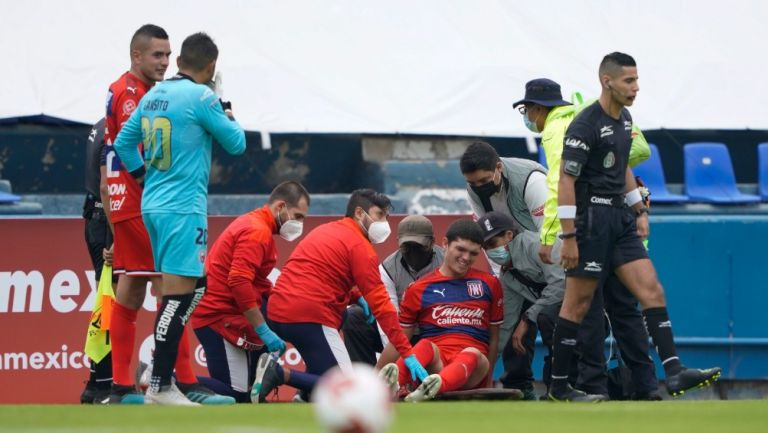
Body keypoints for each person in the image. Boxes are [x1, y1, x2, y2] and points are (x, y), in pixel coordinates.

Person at [549, 52, 720, 402]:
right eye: (629, 81)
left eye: (637, 80)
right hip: (591, 223)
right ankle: (559, 387)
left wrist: (638, 208)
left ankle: (674, 373)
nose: (636, 87)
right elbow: (567, 181)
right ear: (607, 81)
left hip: (620, 222)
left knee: (651, 291)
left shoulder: (625, 120)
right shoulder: (584, 125)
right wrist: (568, 236)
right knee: (577, 306)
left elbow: (622, 167)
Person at [115, 32, 247, 405]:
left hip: (153, 206)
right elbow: (236, 144)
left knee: (193, 288)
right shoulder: (202, 96)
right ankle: (160, 386)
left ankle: (161, 382)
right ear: (211, 67)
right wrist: (224, 107)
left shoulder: (154, 95)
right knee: (177, 297)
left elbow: (124, 143)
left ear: (178, 61)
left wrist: (142, 175)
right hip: (182, 208)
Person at [513, 78, 660, 399]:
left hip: (587, 231)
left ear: (538, 108)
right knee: (626, 312)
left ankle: (594, 386)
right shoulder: (601, 118)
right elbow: (640, 151)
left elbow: (556, 184)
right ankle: (648, 386)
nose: (528, 117)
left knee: (589, 311)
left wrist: (551, 236)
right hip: (620, 229)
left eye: (527, 110)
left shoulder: (555, 131)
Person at [252, 189, 429, 403]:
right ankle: (280, 374)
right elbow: (382, 307)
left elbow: (321, 275)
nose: (384, 223)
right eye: (379, 215)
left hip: (279, 311)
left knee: (344, 316)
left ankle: (307, 392)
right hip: (309, 315)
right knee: (349, 390)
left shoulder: (326, 230)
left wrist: (354, 296)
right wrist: (407, 354)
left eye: (387, 217)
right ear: (359, 213)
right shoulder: (360, 247)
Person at [460, 140, 606, 398]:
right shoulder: (474, 187)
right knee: (507, 316)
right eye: (473, 184)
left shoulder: (531, 181)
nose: (478, 188)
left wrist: (530, 317)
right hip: (516, 262)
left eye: (483, 181)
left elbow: (550, 242)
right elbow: (487, 235)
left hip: (550, 260)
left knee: (550, 319)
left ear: (498, 168)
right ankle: (518, 387)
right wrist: (483, 372)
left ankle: (564, 386)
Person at [102, 24, 178, 405]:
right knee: (174, 285)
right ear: (137, 56)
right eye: (157, 55)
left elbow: (106, 156)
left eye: (168, 55)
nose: (165, 62)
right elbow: (140, 148)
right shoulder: (131, 95)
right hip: (141, 202)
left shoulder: (136, 90)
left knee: (131, 289)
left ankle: (120, 386)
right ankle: (174, 380)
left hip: (125, 202)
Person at [191, 181, 310, 403]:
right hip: (216, 316)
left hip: (224, 312)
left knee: (245, 393)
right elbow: (239, 282)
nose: (300, 224)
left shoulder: (257, 225)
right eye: (298, 216)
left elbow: (255, 282)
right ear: (280, 206)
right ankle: (164, 378)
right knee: (234, 395)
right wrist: (263, 329)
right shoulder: (257, 232)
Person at [378, 219, 503, 402]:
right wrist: (375, 374)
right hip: (437, 363)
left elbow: (494, 337)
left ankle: (433, 388)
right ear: (445, 244)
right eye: (460, 249)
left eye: (473, 253)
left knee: (472, 353)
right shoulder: (417, 288)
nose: (466, 258)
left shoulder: (489, 284)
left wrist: (487, 381)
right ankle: (392, 386)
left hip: (473, 368)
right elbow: (400, 339)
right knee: (424, 345)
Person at [344, 215, 445, 366]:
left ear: (432, 242)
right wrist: (397, 363)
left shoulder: (446, 261)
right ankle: (366, 380)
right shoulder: (387, 269)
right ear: (398, 242)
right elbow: (389, 317)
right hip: (402, 331)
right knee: (354, 317)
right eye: (407, 246)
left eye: (418, 246)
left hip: (437, 331)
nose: (412, 252)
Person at [80, 118, 113, 404]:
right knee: (110, 302)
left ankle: (98, 382)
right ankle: (101, 384)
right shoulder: (116, 127)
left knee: (106, 300)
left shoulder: (101, 124)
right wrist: (117, 237)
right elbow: (108, 187)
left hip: (95, 217)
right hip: (106, 221)